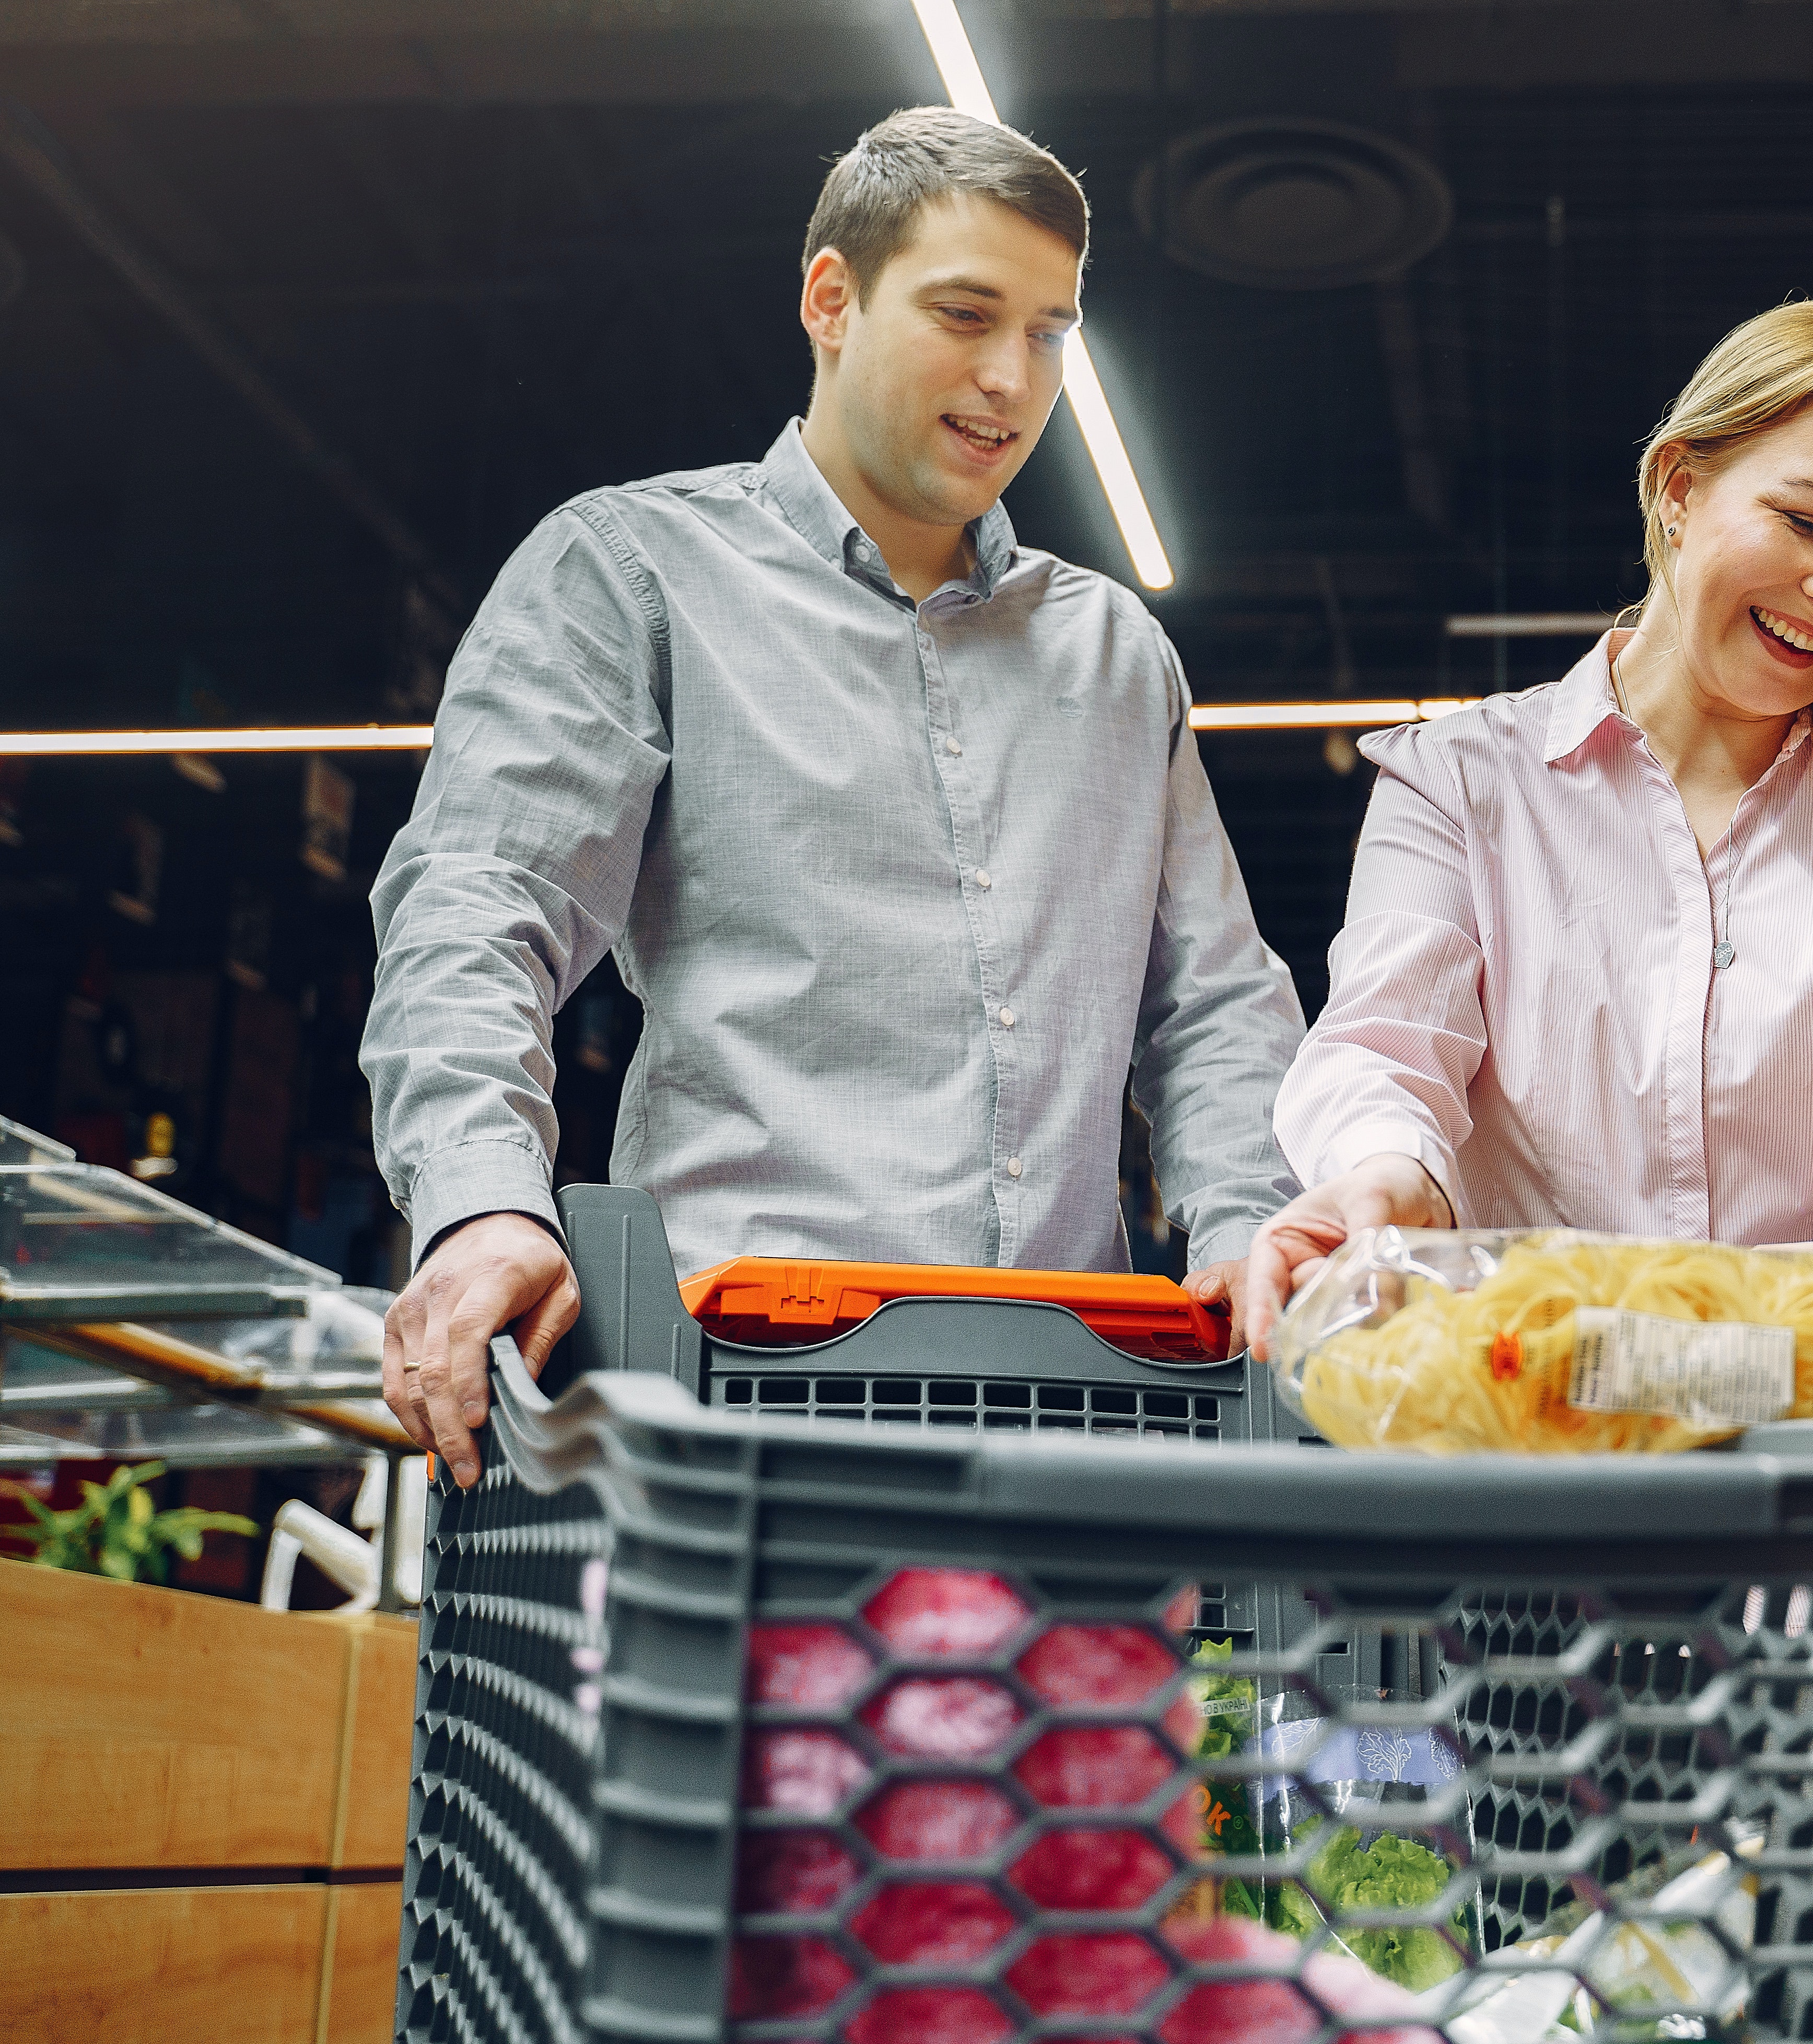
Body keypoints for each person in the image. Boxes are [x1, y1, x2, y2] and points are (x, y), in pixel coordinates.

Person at [363, 109, 1304, 1483]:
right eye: (966, 313)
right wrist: (482, 1205)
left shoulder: (1112, 657)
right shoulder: (633, 575)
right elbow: (481, 906)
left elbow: (1212, 1004)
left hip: (1078, 1426)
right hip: (734, 1417)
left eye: (1049, 332)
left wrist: (1251, 1237)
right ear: (831, 299)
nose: (1011, 377)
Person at [1235, 298, 1813, 1362]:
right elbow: (1387, 1047)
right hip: (1524, 1426)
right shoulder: (1462, 783)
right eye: (1807, 521)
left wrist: (1747, 1364)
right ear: (1679, 486)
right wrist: (1388, 1177)